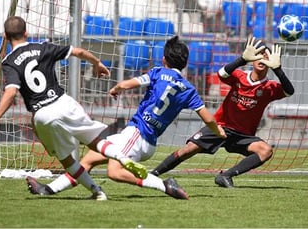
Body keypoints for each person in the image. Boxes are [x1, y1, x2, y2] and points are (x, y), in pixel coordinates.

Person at [27, 35, 227, 199]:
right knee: (89, 158)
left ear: (164, 59)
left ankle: (164, 185)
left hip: (138, 134)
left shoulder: (157, 72)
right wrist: (217, 130)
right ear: (184, 64)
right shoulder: (189, 89)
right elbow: (207, 118)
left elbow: (128, 84)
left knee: (113, 172)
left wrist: (116, 88)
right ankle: (49, 190)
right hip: (146, 139)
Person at [0, 16, 146, 201]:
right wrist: (96, 63)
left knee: (66, 159)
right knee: (95, 142)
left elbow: (11, 92)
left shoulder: (9, 61)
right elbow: (78, 52)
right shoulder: (43, 46)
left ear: (5, 36)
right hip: (63, 102)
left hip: (42, 115)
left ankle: (97, 191)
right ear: (26, 32)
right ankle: (122, 158)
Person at [150, 36, 295, 188]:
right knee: (188, 149)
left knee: (265, 151)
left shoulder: (270, 87)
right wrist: (242, 59)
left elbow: (289, 91)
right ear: (252, 60)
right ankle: (154, 174)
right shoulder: (240, 76)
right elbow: (221, 74)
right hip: (220, 127)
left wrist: (278, 69)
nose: (261, 59)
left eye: (266, 56)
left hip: (243, 135)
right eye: (258, 55)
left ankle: (226, 176)